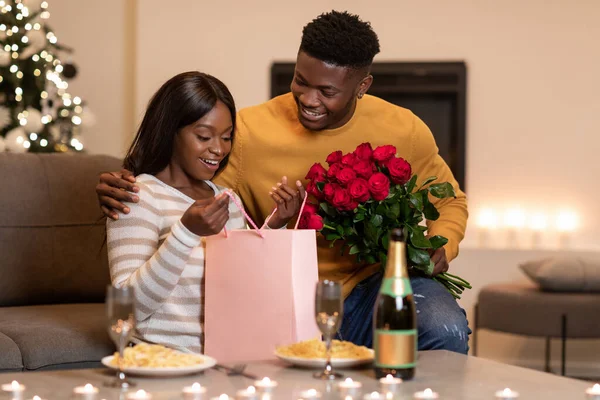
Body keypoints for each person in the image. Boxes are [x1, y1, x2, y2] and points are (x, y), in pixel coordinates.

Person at [97, 11, 470, 353]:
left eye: (327, 92)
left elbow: (449, 201)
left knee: (444, 325)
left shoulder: (403, 128)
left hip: (371, 287)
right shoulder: (247, 131)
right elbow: (194, 194)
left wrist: (442, 246)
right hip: (282, 294)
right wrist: (131, 180)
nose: (308, 100)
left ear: (362, 85)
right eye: (300, 81)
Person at [107, 71, 304, 353]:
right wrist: (185, 233)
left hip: (231, 359)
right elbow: (125, 311)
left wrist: (276, 225)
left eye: (226, 137)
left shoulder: (227, 199)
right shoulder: (138, 195)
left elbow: (246, 285)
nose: (218, 149)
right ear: (170, 131)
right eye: (204, 136)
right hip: (163, 363)